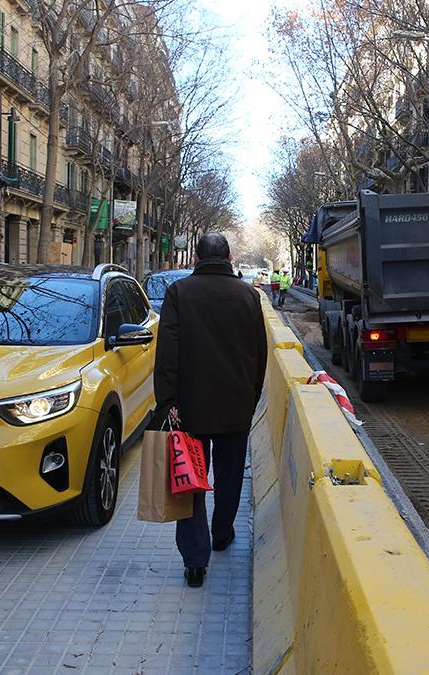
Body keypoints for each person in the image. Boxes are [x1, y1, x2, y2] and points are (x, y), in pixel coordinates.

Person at [154, 232, 267, 588]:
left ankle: (195, 561)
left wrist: (167, 402)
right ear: (229, 258)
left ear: (197, 257)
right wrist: (252, 396)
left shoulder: (179, 294)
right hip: (236, 405)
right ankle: (222, 533)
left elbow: (168, 353)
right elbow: (260, 353)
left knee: (190, 481)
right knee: (230, 475)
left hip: (190, 408)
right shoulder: (249, 295)